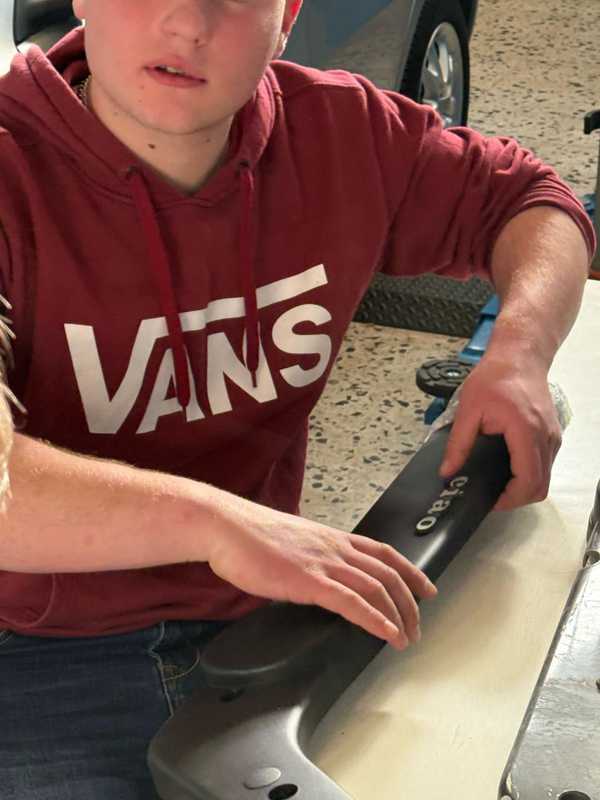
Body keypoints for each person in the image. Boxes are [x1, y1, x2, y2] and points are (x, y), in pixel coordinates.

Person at [0, 0, 594, 797]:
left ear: (287, 15)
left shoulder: (343, 133)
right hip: (37, 648)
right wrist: (217, 525)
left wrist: (518, 353)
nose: (188, 23)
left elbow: (533, 204)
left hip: (264, 611)